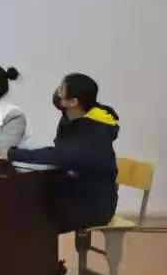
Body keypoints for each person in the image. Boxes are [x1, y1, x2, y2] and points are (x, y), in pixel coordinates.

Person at [9, 73, 119, 232]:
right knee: (25, 201)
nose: (57, 92)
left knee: (33, 215)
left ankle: (38, 248)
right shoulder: (70, 119)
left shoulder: (96, 130)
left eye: (61, 90)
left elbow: (61, 156)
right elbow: (61, 153)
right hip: (73, 189)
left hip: (94, 204)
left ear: (73, 102)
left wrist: (12, 154)